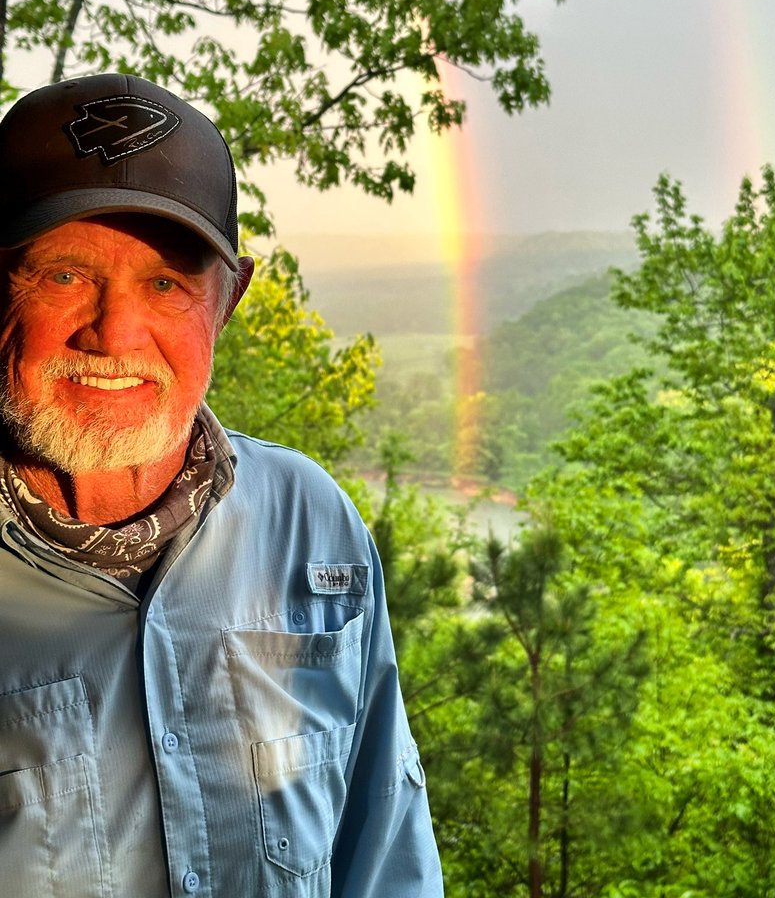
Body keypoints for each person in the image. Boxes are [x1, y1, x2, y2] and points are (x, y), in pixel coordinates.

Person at [0, 73, 443, 897]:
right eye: (63, 275)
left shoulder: (315, 531)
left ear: (228, 301)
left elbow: (383, 851)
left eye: (166, 284)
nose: (114, 333)